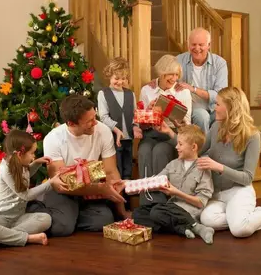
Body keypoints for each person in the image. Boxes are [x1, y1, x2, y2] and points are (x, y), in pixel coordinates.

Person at [155, 87, 261, 238]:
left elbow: (247, 178)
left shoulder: (253, 136)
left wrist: (218, 167)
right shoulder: (216, 127)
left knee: (240, 230)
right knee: (207, 220)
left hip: (238, 190)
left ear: (231, 108)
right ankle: (248, 216)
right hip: (217, 194)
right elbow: (195, 149)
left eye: (218, 104)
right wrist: (170, 133)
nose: (214, 108)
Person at [26, 94, 130, 237]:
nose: (95, 123)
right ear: (71, 123)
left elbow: (111, 171)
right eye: (89, 121)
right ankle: (37, 207)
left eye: (95, 117)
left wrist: (122, 211)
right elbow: (59, 185)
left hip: (90, 189)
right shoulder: (54, 138)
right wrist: (100, 189)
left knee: (103, 221)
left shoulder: (103, 130)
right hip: (64, 190)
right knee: (62, 228)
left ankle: (69, 215)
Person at [0, 130, 60, 248]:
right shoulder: (6, 169)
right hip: (0, 217)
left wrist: (37, 164)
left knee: (46, 219)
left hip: (19, 218)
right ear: (20, 154)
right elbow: (26, 195)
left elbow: (25, 175)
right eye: (32, 153)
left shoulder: (21, 165)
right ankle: (26, 238)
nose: (34, 156)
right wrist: (50, 183)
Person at [133, 125, 215, 244]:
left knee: (157, 212)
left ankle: (195, 225)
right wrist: (127, 184)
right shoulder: (173, 164)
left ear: (193, 147)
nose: (176, 147)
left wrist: (176, 192)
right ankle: (183, 228)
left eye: (180, 144)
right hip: (170, 208)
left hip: (190, 210)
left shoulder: (204, 168)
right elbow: (154, 181)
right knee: (138, 214)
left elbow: (200, 202)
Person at [137, 54, 192, 205]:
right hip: (150, 132)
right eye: (171, 74)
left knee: (160, 151)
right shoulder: (147, 90)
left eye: (177, 75)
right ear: (162, 73)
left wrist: (177, 119)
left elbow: (188, 126)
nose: (174, 79)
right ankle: (146, 200)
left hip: (171, 133)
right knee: (144, 151)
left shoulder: (183, 92)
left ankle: (160, 201)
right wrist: (148, 111)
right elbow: (141, 125)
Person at [97, 58, 143, 208]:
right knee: (115, 170)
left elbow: (135, 115)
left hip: (128, 139)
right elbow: (103, 117)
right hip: (112, 140)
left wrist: (136, 127)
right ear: (109, 76)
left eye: (123, 79)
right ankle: (116, 206)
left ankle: (127, 205)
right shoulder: (103, 94)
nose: (120, 82)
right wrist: (116, 130)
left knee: (127, 170)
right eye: (117, 78)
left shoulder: (130, 94)